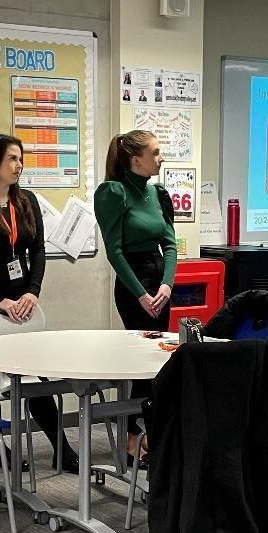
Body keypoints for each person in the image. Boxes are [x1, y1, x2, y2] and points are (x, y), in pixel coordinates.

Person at [0, 133, 79, 472]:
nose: (19, 165)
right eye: (12, 158)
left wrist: (32, 291)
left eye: (21, 158)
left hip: (22, 299)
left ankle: (61, 449)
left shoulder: (26, 201)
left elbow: (37, 250)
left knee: (32, 376)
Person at [94, 130, 177, 462]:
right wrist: (141, 294)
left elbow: (169, 243)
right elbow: (114, 251)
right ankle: (132, 436)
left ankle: (150, 434)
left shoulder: (158, 192)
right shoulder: (113, 192)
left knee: (158, 360)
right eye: (155, 153)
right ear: (134, 159)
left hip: (160, 282)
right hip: (134, 284)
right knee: (142, 363)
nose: (161, 158)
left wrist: (167, 284)